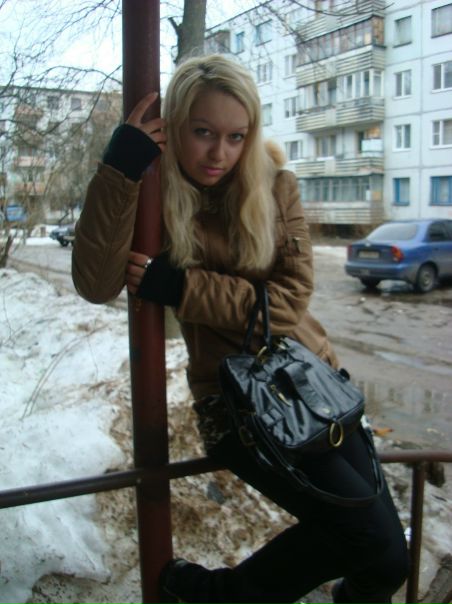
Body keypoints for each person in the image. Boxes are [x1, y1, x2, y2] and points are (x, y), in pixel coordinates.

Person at [72, 54, 409, 604]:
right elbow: (95, 283)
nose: (219, 154)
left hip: (316, 387)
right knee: (369, 540)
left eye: (235, 136)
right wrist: (121, 168)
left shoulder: (275, 187)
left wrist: (184, 288)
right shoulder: (156, 198)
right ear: (175, 126)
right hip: (240, 406)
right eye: (203, 132)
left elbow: (290, 300)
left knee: (387, 562)